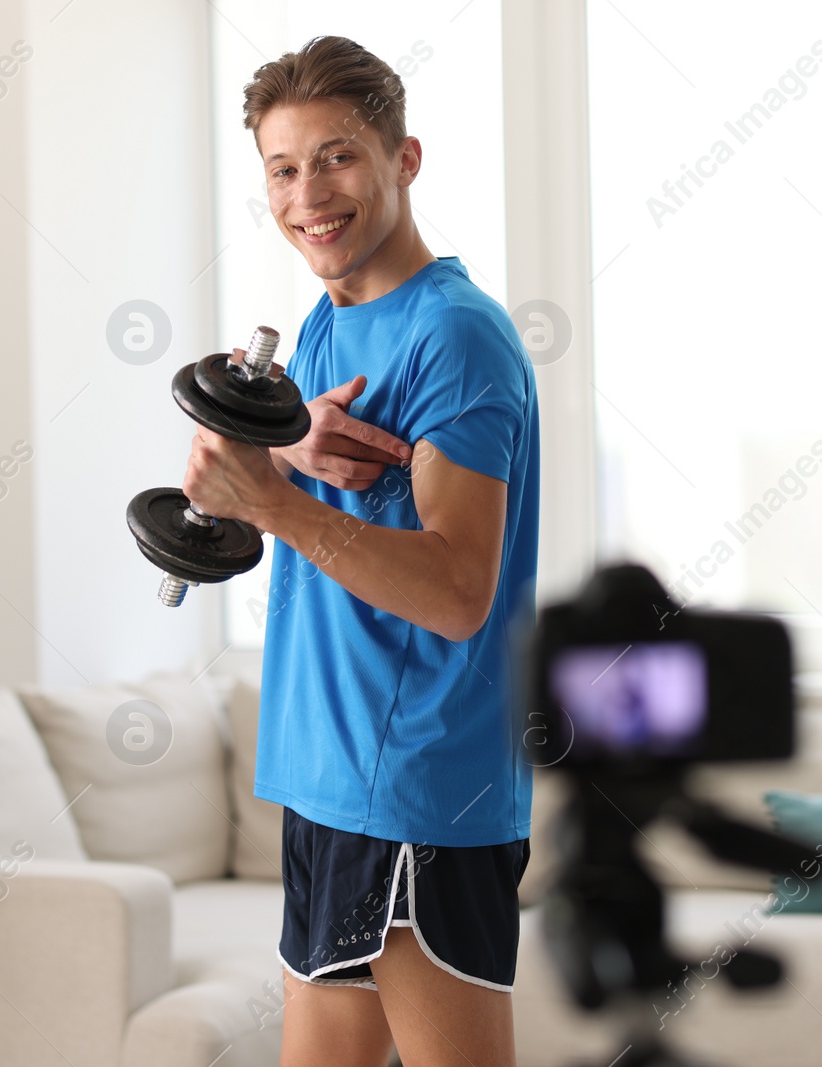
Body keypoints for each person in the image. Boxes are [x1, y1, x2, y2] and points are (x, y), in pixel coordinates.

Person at [181, 34, 541, 1067]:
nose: (308, 195)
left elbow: (460, 589)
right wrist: (260, 469)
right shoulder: (323, 327)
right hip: (326, 777)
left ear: (404, 159)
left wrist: (275, 499)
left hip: (418, 783)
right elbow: (296, 511)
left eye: (336, 156)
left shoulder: (455, 335)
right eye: (282, 170)